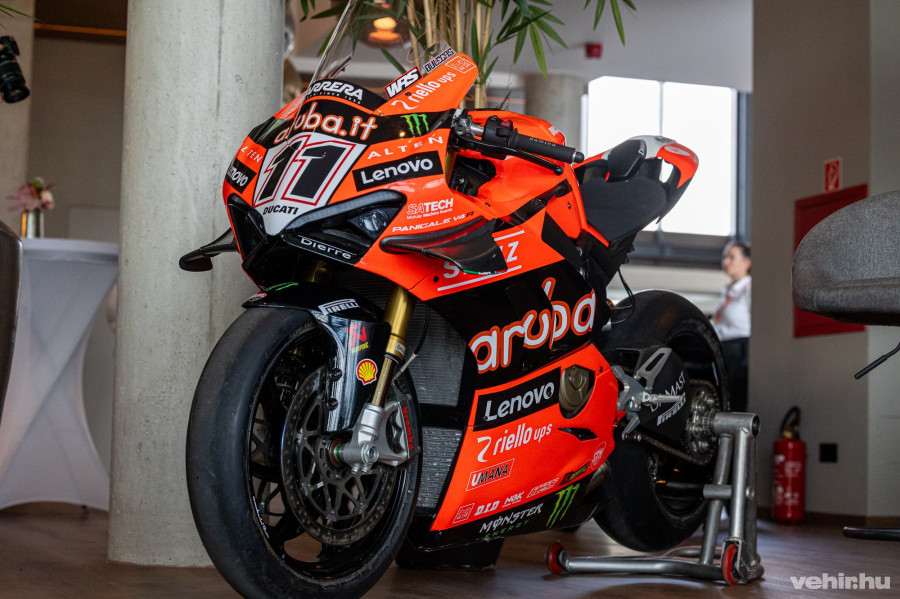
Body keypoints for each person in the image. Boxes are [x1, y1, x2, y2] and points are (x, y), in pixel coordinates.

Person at [713, 241, 751, 412]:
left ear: (746, 263)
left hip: (740, 350)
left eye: (731, 257)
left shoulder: (749, 288)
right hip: (724, 349)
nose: (726, 261)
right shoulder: (728, 290)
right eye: (725, 257)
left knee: (736, 401)